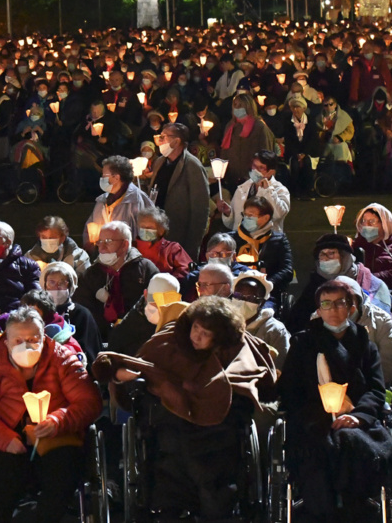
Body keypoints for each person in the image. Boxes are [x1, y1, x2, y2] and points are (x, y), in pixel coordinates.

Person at [93, 297, 277, 520]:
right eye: (196, 328)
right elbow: (143, 365)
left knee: (209, 467)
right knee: (174, 452)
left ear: (219, 337)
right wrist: (126, 376)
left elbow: (245, 377)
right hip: (169, 418)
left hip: (217, 425)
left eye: (205, 333)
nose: (196, 336)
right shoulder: (171, 339)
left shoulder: (235, 348)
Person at [0, 306, 102, 523]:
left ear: (44, 338)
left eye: (34, 339)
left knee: (62, 475)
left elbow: (88, 401)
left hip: (54, 438)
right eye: (18, 340)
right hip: (6, 441)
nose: (27, 345)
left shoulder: (62, 359)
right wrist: (4, 439)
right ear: (6, 342)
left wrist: (58, 420)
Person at [278, 280, 392, 522]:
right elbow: (291, 390)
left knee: (351, 441)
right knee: (320, 446)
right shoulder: (303, 343)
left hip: (357, 421)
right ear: (318, 311)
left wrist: (357, 416)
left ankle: (356, 505)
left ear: (351, 307)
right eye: (326, 304)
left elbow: (376, 390)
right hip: (313, 420)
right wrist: (318, 414)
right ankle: (322, 509)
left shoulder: (366, 345)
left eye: (340, 303)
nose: (333, 310)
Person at [289, 233, 392, 332]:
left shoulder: (372, 283)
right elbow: (297, 322)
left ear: (345, 256)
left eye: (331, 253)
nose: (326, 258)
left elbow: (381, 321)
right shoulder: (315, 285)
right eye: (322, 254)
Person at [74, 221, 160, 340]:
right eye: (100, 242)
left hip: (139, 337)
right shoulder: (91, 274)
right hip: (101, 337)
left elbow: (155, 306)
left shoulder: (145, 269)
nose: (102, 248)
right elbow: (83, 306)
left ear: (124, 244)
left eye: (108, 242)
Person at [148, 123, 211, 259]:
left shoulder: (192, 166)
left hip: (179, 233)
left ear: (176, 141)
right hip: (156, 231)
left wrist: (192, 244)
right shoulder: (160, 162)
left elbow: (200, 208)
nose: (160, 141)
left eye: (163, 137)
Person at [82, 155, 154, 250]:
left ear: (116, 178)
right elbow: (89, 228)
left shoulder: (137, 200)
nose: (101, 178)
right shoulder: (102, 201)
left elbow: (147, 237)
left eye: (104, 176)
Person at [228, 196, 294, 297]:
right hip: (233, 290)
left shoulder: (279, 240)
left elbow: (287, 270)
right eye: (244, 215)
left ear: (266, 218)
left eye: (250, 216)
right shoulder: (230, 238)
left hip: (266, 293)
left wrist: (266, 284)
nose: (246, 218)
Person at [40, 261, 101, 367]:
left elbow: (88, 352)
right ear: (45, 285)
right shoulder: (39, 312)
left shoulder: (82, 314)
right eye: (52, 282)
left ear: (70, 286)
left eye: (62, 283)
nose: (56, 288)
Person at [218, 149, 291, 233]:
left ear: (271, 171)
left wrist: (267, 190)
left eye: (261, 168)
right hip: (241, 240)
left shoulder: (280, 190)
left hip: (266, 241)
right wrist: (228, 212)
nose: (255, 170)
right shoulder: (243, 187)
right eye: (254, 166)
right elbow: (233, 224)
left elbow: (278, 215)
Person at [230, 271, 291, 368]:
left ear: (262, 303)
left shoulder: (275, 331)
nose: (242, 302)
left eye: (250, 298)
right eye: (238, 296)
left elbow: (279, 368)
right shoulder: (224, 325)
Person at [219, 93, 276, 187]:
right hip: (232, 177)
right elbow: (225, 151)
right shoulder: (231, 126)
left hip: (253, 178)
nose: (237, 108)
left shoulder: (259, 127)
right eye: (235, 105)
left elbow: (266, 153)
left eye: (240, 105)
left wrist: (259, 178)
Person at [134, 207, 193, 280]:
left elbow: (186, 269)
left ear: (161, 230)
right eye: (142, 227)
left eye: (150, 227)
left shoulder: (172, 248)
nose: (146, 230)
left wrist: (167, 281)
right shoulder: (132, 247)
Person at [25, 215, 90, 279]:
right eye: (44, 237)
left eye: (52, 237)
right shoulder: (29, 257)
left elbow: (85, 282)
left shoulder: (79, 256)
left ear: (62, 238)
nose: (48, 241)